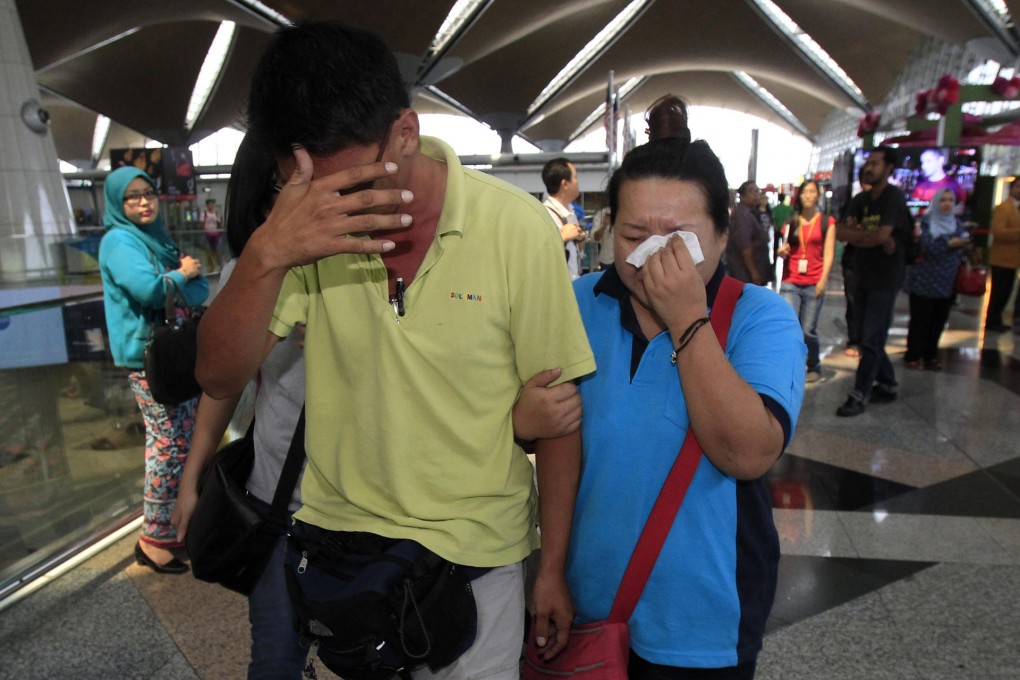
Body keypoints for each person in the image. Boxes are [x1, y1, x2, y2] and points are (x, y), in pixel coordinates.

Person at [196, 20, 595, 677]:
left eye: (352, 188)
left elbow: (559, 419)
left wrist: (550, 570)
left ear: (404, 135)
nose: (335, 213)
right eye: (306, 192)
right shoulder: (301, 235)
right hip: (341, 558)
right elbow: (217, 374)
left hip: (475, 563)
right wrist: (269, 249)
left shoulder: (514, 229)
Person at [564, 128, 805, 677]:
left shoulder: (761, 318)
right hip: (589, 604)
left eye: (679, 236)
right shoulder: (579, 305)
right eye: (633, 234)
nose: (653, 254)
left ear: (722, 236)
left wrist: (688, 319)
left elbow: (748, 453)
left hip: (705, 620)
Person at [98, 166, 209, 573]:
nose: (143, 202)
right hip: (148, 359)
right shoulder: (119, 241)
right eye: (132, 197)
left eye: (148, 193)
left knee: (185, 440)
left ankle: (177, 528)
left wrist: (178, 277)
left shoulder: (155, 239)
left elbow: (200, 288)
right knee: (168, 446)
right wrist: (181, 273)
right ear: (117, 203)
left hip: (176, 352)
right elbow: (148, 289)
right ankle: (154, 538)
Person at [835, 146, 912, 417]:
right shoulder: (860, 199)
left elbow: (882, 235)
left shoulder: (893, 198)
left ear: (889, 168)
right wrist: (873, 237)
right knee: (872, 338)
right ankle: (889, 384)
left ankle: (859, 394)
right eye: (868, 163)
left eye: (876, 163)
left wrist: (862, 236)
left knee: (869, 339)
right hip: (864, 275)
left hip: (886, 278)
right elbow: (841, 232)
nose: (869, 168)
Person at [903, 189, 971, 370]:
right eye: (943, 200)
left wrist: (950, 243)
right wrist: (950, 243)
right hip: (924, 280)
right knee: (920, 320)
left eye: (950, 200)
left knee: (939, 320)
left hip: (947, 281)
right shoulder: (925, 223)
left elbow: (965, 243)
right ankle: (913, 354)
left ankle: (930, 354)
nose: (947, 204)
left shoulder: (957, 224)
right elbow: (928, 247)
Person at [777, 179, 837, 383]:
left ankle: (813, 365)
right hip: (791, 281)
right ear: (799, 196)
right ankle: (790, 365)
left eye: (812, 192)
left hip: (813, 281)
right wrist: (781, 252)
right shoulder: (791, 222)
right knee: (790, 325)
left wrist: (823, 280)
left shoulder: (827, 222)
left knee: (807, 330)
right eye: (805, 192)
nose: (809, 195)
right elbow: (782, 249)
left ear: (818, 195)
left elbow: (829, 254)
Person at [542, 158, 587, 279]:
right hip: (558, 289)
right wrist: (563, 237)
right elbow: (538, 253)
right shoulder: (544, 214)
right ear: (565, 184)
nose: (578, 182)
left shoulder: (570, 210)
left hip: (573, 282)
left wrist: (581, 237)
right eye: (575, 177)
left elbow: (577, 249)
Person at [985, 178, 1020, 333]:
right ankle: (991, 320)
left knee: (1006, 292)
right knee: (999, 292)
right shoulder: (1003, 208)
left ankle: (997, 319)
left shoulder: (1016, 208)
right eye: (1018, 187)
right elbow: (999, 232)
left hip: (1013, 260)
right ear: (1011, 188)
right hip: (1001, 259)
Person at [726, 181, 771, 286]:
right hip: (745, 274)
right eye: (752, 191)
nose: (756, 195)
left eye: (757, 191)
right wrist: (754, 272)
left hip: (753, 270)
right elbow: (745, 246)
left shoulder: (752, 212)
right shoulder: (743, 215)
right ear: (742, 195)